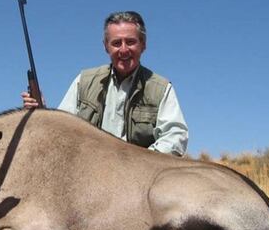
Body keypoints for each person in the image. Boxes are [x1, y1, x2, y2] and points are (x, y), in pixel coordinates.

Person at [22, 11, 188, 156]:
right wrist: (43, 113)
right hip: (89, 171)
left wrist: (139, 162)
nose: (123, 50)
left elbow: (175, 135)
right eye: (116, 43)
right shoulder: (84, 80)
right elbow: (62, 129)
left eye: (130, 42)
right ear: (106, 47)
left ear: (143, 45)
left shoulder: (160, 87)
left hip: (138, 178)